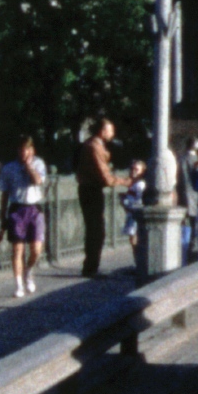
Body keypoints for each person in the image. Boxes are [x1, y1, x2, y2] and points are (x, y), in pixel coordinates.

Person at [75, 117, 129, 278]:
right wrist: (124, 182)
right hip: (90, 190)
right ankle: (90, 268)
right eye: (110, 130)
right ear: (102, 131)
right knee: (96, 230)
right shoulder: (94, 147)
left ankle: (91, 266)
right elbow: (105, 176)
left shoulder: (94, 145)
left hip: (90, 189)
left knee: (95, 229)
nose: (112, 133)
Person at [0, 135, 47, 298]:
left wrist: (29, 167)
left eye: (27, 150)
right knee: (17, 249)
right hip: (17, 208)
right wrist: (2, 214)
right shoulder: (8, 168)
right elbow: (4, 193)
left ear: (32, 150)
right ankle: (19, 285)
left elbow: (38, 181)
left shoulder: (39, 164)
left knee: (36, 249)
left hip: (34, 208)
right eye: (21, 150)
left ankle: (29, 271)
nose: (23, 153)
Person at [121, 160, 147, 248]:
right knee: (132, 240)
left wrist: (126, 202)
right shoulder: (133, 184)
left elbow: (139, 202)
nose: (133, 172)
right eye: (132, 169)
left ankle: (139, 259)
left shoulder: (140, 185)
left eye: (136, 169)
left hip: (136, 215)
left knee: (135, 240)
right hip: (131, 214)